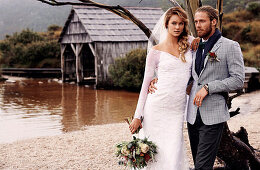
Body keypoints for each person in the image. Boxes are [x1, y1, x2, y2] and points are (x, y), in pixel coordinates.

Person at [148, 6, 245, 170]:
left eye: (202, 21)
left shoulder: (230, 46)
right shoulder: (193, 47)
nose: (198, 25)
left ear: (214, 22)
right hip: (192, 115)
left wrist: (209, 87)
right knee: (198, 163)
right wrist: (159, 78)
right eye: (196, 21)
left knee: (201, 166)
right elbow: (181, 71)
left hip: (213, 115)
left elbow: (238, 80)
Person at [129, 7, 194, 169]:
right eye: (173, 23)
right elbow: (145, 85)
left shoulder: (191, 44)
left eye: (181, 23)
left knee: (174, 149)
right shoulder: (155, 52)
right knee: (155, 150)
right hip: (156, 107)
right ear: (166, 25)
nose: (177, 27)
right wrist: (138, 116)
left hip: (177, 108)